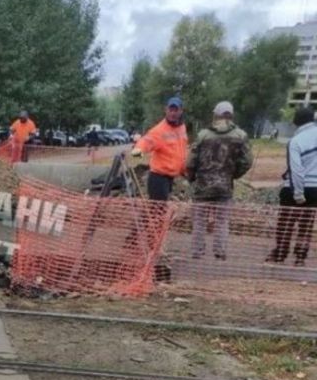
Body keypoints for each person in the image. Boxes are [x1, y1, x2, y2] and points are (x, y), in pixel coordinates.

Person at [186, 101, 253, 260]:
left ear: (216, 115)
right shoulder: (240, 136)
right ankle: (220, 252)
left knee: (199, 221)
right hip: (225, 187)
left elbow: (190, 161)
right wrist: (233, 174)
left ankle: (197, 253)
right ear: (231, 115)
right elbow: (247, 162)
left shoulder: (203, 135)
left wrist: (192, 178)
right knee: (222, 221)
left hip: (203, 187)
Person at [267, 107, 317, 266]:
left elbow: (296, 169)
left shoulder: (296, 141)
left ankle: (280, 254)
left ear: (296, 122)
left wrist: (298, 193)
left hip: (294, 188)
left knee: (286, 222)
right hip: (315, 188)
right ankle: (300, 257)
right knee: (306, 224)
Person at [132, 97, 189, 201]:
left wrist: (183, 170)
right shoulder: (159, 130)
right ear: (165, 110)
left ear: (181, 111)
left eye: (175, 110)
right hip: (158, 178)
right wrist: (137, 152)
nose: (172, 113)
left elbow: (181, 150)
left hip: (171, 177)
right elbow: (145, 142)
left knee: (162, 210)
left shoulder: (182, 128)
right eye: (170, 110)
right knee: (157, 212)